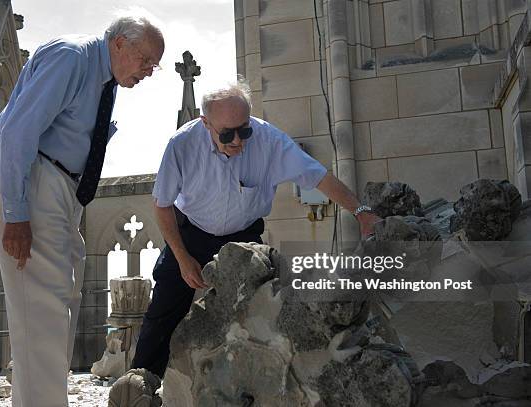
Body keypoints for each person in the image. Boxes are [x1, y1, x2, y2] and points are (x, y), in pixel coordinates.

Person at [130, 80, 381, 379]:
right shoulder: (182, 145)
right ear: (205, 123)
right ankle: (138, 389)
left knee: (261, 312)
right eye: (227, 133)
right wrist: (183, 258)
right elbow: (162, 205)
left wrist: (361, 212)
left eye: (244, 130)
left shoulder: (270, 141)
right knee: (162, 315)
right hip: (190, 233)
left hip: (244, 237)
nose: (238, 141)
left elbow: (318, 176)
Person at [0, 14, 164, 407]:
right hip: (35, 177)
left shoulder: (104, 78)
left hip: (60, 188)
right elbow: (19, 131)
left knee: (58, 305)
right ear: (120, 43)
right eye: (147, 60)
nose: (149, 72)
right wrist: (16, 215)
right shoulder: (72, 58)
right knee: (42, 311)